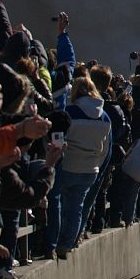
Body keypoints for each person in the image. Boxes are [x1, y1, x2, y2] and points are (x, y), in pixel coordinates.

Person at [49, 75, 111, 258]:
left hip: (68, 164)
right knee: (77, 207)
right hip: (90, 169)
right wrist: (96, 164)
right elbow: (105, 149)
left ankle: (54, 241)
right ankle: (67, 243)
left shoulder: (69, 112)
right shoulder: (105, 117)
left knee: (58, 202)